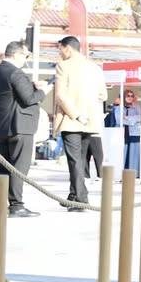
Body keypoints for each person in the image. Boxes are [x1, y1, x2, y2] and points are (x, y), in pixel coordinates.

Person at [54, 36, 108, 210]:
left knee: (75, 160)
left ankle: (81, 199)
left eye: (60, 49)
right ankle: (74, 194)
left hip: (72, 119)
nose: (60, 53)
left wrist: (76, 114)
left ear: (67, 48)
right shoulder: (94, 68)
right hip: (89, 120)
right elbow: (103, 95)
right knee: (80, 159)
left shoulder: (63, 66)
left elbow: (61, 96)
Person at [0, 41, 47, 217]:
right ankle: (16, 205)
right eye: (25, 56)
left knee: (2, 169)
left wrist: (32, 86)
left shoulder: (1, 70)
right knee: (19, 167)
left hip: (2, 127)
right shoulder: (16, 73)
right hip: (20, 127)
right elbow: (28, 99)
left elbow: (12, 93)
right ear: (17, 54)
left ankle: (1, 203)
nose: (26, 59)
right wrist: (44, 91)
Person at [114, 89, 141, 175]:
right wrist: (133, 120)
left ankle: (133, 174)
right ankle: (121, 173)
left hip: (134, 133)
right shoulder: (119, 108)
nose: (130, 98)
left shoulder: (137, 107)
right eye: (128, 96)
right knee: (122, 153)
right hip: (122, 133)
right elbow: (119, 120)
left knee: (133, 153)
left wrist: (128, 118)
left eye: (132, 96)